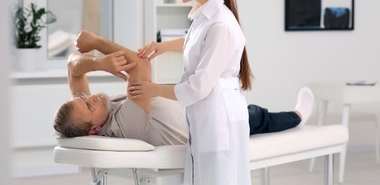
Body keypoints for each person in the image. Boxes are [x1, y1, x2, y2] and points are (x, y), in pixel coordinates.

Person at [128, 0, 252, 185]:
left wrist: (153, 89)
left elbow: (197, 87)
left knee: (219, 178)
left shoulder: (221, 24)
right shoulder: (203, 16)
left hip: (219, 117)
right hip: (207, 114)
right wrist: (162, 46)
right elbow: (196, 42)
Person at [53, 31, 314, 143]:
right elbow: (140, 64)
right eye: (88, 105)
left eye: (84, 97)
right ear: (95, 129)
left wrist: (98, 64)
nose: (91, 98)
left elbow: (71, 66)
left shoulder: (92, 115)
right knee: (256, 117)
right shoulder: (122, 125)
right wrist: (98, 42)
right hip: (211, 127)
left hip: (197, 109)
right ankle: (298, 116)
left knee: (246, 109)